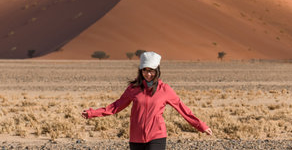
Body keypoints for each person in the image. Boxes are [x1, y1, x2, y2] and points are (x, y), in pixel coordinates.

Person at [82, 51, 212, 150]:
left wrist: (201, 126)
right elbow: (116, 106)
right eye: (145, 70)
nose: (148, 74)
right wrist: (92, 113)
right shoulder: (133, 89)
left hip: (157, 136)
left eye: (151, 71)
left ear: (157, 71)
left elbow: (183, 110)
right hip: (136, 137)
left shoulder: (165, 89)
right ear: (141, 71)